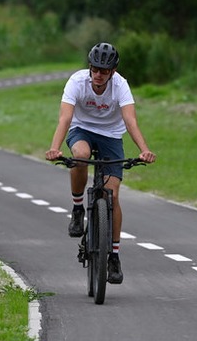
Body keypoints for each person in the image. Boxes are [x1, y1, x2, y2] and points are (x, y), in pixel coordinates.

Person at [45, 42, 156, 284]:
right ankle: (77, 208)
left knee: (112, 195)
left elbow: (130, 121)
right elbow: (65, 118)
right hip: (81, 129)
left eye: (104, 71)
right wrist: (55, 147)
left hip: (111, 135)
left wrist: (144, 150)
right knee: (80, 155)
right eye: (95, 69)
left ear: (112, 71)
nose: (98, 75)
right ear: (89, 67)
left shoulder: (121, 85)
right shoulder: (77, 82)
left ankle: (114, 256)